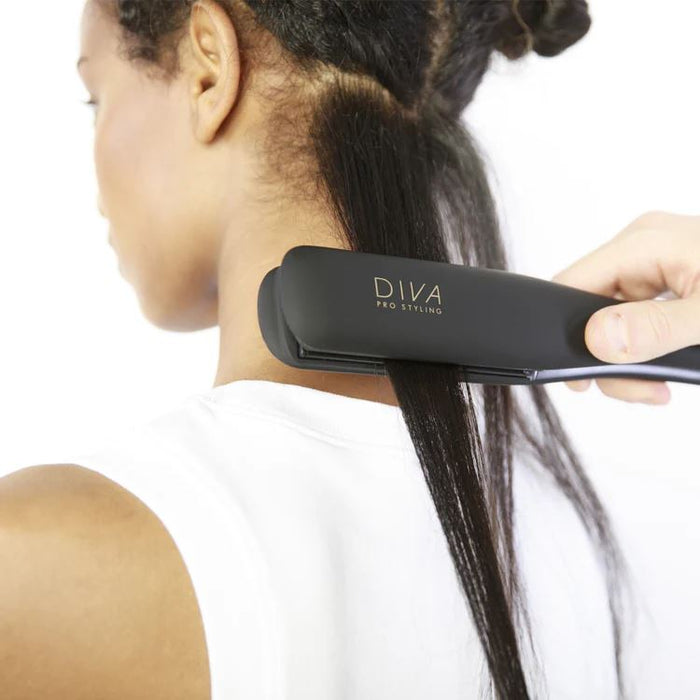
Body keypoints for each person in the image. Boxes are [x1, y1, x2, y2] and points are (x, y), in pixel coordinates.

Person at [1, 1, 696, 698]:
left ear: (209, 69)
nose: (92, 185)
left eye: (96, 99)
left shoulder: (37, 561)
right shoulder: (587, 561)